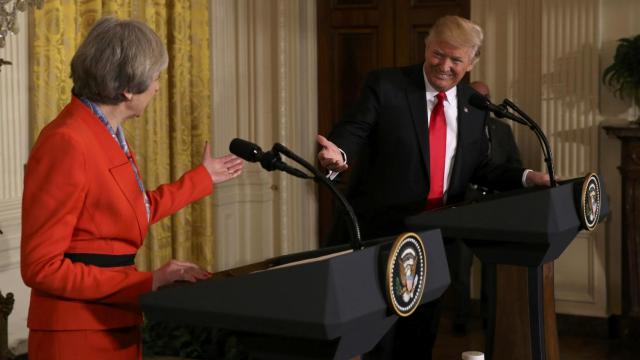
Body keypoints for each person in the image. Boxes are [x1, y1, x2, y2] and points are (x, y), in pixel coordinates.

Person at [316, 15, 550, 359]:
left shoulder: (474, 103)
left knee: (419, 341)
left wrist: (528, 177)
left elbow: (479, 167)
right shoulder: (387, 86)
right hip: (379, 235)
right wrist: (339, 152)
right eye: (438, 54)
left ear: (471, 62)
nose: (444, 66)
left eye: (456, 60)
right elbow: (355, 129)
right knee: (377, 342)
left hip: (433, 241)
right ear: (426, 47)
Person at [20, 17, 244, 360]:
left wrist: (203, 178)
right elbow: (41, 267)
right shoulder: (66, 142)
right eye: (155, 78)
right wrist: (147, 281)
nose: (157, 87)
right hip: (76, 337)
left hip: (115, 322)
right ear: (128, 88)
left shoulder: (104, 132)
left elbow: (127, 210)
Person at [449, 80, 523, 336]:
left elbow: (514, 164)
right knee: (460, 267)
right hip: (464, 208)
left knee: (491, 270)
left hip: (495, 210)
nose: (484, 103)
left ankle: (489, 317)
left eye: (487, 98)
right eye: (478, 98)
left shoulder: (502, 129)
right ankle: (460, 318)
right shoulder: (456, 129)